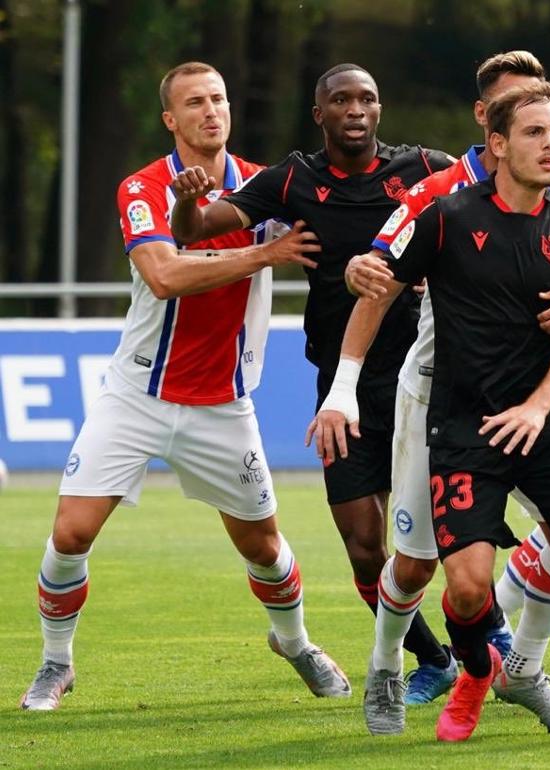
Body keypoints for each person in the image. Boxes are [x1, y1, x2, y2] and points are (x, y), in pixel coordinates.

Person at [20, 62, 348, 711]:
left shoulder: (265, 185)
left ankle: (295, 642)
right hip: (137, 395)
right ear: (171, 119)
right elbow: (165, 275)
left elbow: (340, 227)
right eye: (195, 102)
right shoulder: (142, 188)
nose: (211, 110)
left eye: (219, 98)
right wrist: (262, 255)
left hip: (223, 403)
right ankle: (56, 663)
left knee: (264, 547)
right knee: (71, 534)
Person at [350, 81, 550, 743]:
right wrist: (358, 287)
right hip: (454, 420)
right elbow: (376, 277)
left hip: (545, 418)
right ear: (494, 139)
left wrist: (545, 397)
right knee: (451, 584)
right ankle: (447, 670)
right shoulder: (445, 211)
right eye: (534, 132)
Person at [168, 63, 460, 703]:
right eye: (341, 100)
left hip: (425, 380)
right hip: (341, 386)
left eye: (367, 99)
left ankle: (495, 638)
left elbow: (492, 200)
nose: (355, 109)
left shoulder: (423, 169)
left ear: (379, 110)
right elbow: (192, 231)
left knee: (451, 536)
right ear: (318, 114)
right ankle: (435, 660)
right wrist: (187, 198)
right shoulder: (293, 179)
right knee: (364, 548)